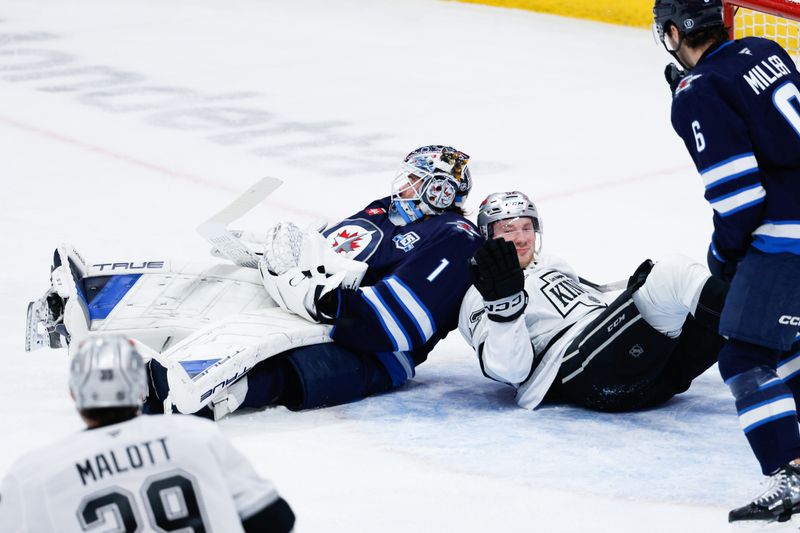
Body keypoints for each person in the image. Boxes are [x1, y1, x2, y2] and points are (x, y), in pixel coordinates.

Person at [146, 145, 483, 415]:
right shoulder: (386, 209)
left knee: (287, 369)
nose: (404, 185)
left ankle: (204, 400)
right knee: (221, 298)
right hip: (312, 314)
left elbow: (393, 324)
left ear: (439, 191)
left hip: (374, 354)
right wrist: (278, 251)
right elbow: (334, 252)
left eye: (414, 179)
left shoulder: (456, 237)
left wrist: (310, 294)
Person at [653, 0, 800, 524]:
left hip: (788, 234)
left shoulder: (698, 90)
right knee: (787, 345)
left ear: (674, 33)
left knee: (745, 357)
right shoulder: (766, 47)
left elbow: (738, 197)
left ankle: (792, 472)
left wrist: (725, 252)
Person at [459, 191, 728, 414]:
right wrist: (505, 306)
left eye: (527, 227)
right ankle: (766, 337)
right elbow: (511, 371)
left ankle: (762, 343)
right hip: (580, 371)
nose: (521, 238)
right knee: (674, 273)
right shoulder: (479, 293)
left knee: (726, 282)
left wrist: (641, 291)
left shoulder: (552, 263)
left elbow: (593, 306)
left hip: (650, 371)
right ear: (487, 236)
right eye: (508, 229)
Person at [0, 335, 295, 533]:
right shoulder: (197, 437)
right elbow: (276, 519)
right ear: (139, 387)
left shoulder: (33, 475)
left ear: (74, 394)